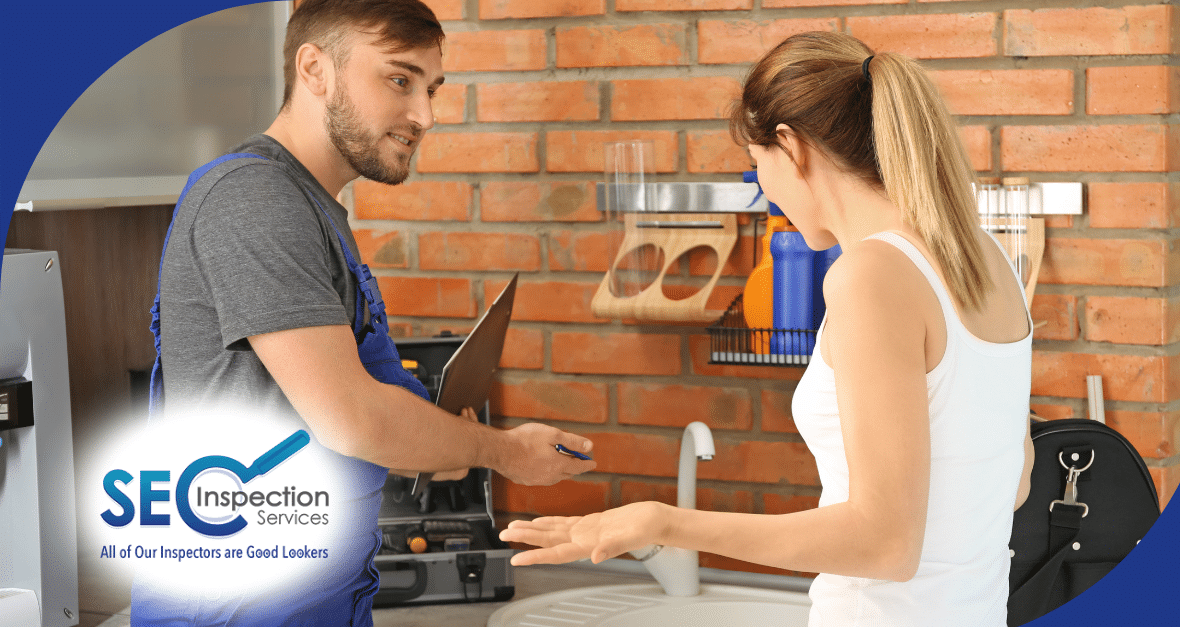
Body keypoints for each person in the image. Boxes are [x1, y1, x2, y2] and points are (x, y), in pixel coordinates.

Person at [500, 32, 1035, 626]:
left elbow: (885, 545)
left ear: (791, 146)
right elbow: (1010, 482)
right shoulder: (985, 261)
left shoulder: (871, 276)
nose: (767, 195)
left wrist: (664, 522)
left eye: (757, 168)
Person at [140, 1, 594, 625]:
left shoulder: (314, 210)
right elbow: (351, 420)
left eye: (432, 90)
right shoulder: (251, 198)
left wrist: (443, 439)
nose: (425, 116)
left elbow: (346, 418)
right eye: (399, 79)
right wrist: (502, 451)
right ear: (315, 69)